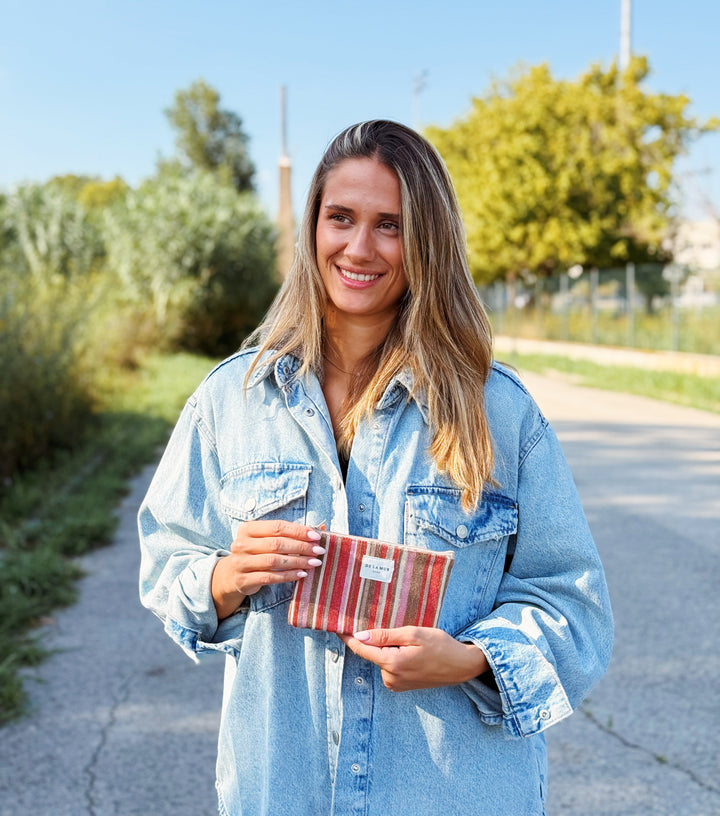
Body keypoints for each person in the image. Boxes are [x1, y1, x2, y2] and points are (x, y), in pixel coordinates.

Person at [138, 119, 613, 816]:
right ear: (312, 227)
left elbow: (574, 604)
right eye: (341, 218)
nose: (359, 248)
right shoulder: (229, 403)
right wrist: (225, 578)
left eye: (389, 225)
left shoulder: (499, 414)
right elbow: (165, 565)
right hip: (281, 789)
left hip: (452, 792)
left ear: (426, 240)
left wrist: (470, 657)